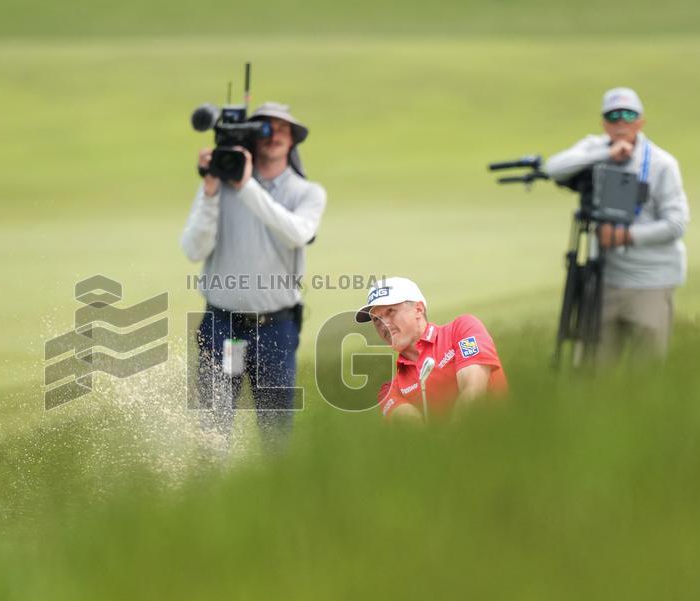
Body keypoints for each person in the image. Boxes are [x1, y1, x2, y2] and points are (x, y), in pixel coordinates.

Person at [181, 102, 327, 441]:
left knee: (276, 436)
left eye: (282, 128)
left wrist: (246, 186)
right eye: (265, 127)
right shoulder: (222, 187)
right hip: (223, 329)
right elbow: (193, 248)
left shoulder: (307, 193)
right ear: (251, 136)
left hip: (274, 330)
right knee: (213, 433)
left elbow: (297, 233)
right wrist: (211, 189)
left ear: (292, 140)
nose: (273, 134)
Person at [545, 87, 690, 363]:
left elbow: (677, 223)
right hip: (603, 279)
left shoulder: (662, 164)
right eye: (613, 116)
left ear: (640, 121)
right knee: (593, 369)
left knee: (646, 372)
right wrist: (603, 154)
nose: (621, 122)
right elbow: (554, 168)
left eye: (628, 115)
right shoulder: (596, 148)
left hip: (651, 282)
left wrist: (626, 237)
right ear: (604, 123)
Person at [355, 277, 507, 422]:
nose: (383, 324)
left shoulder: (462, 329)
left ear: (418, 310)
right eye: (376, 319)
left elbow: (473, 391)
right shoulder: (390, 391)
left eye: (390, 311)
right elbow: (415, 430)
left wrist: (450, 442)